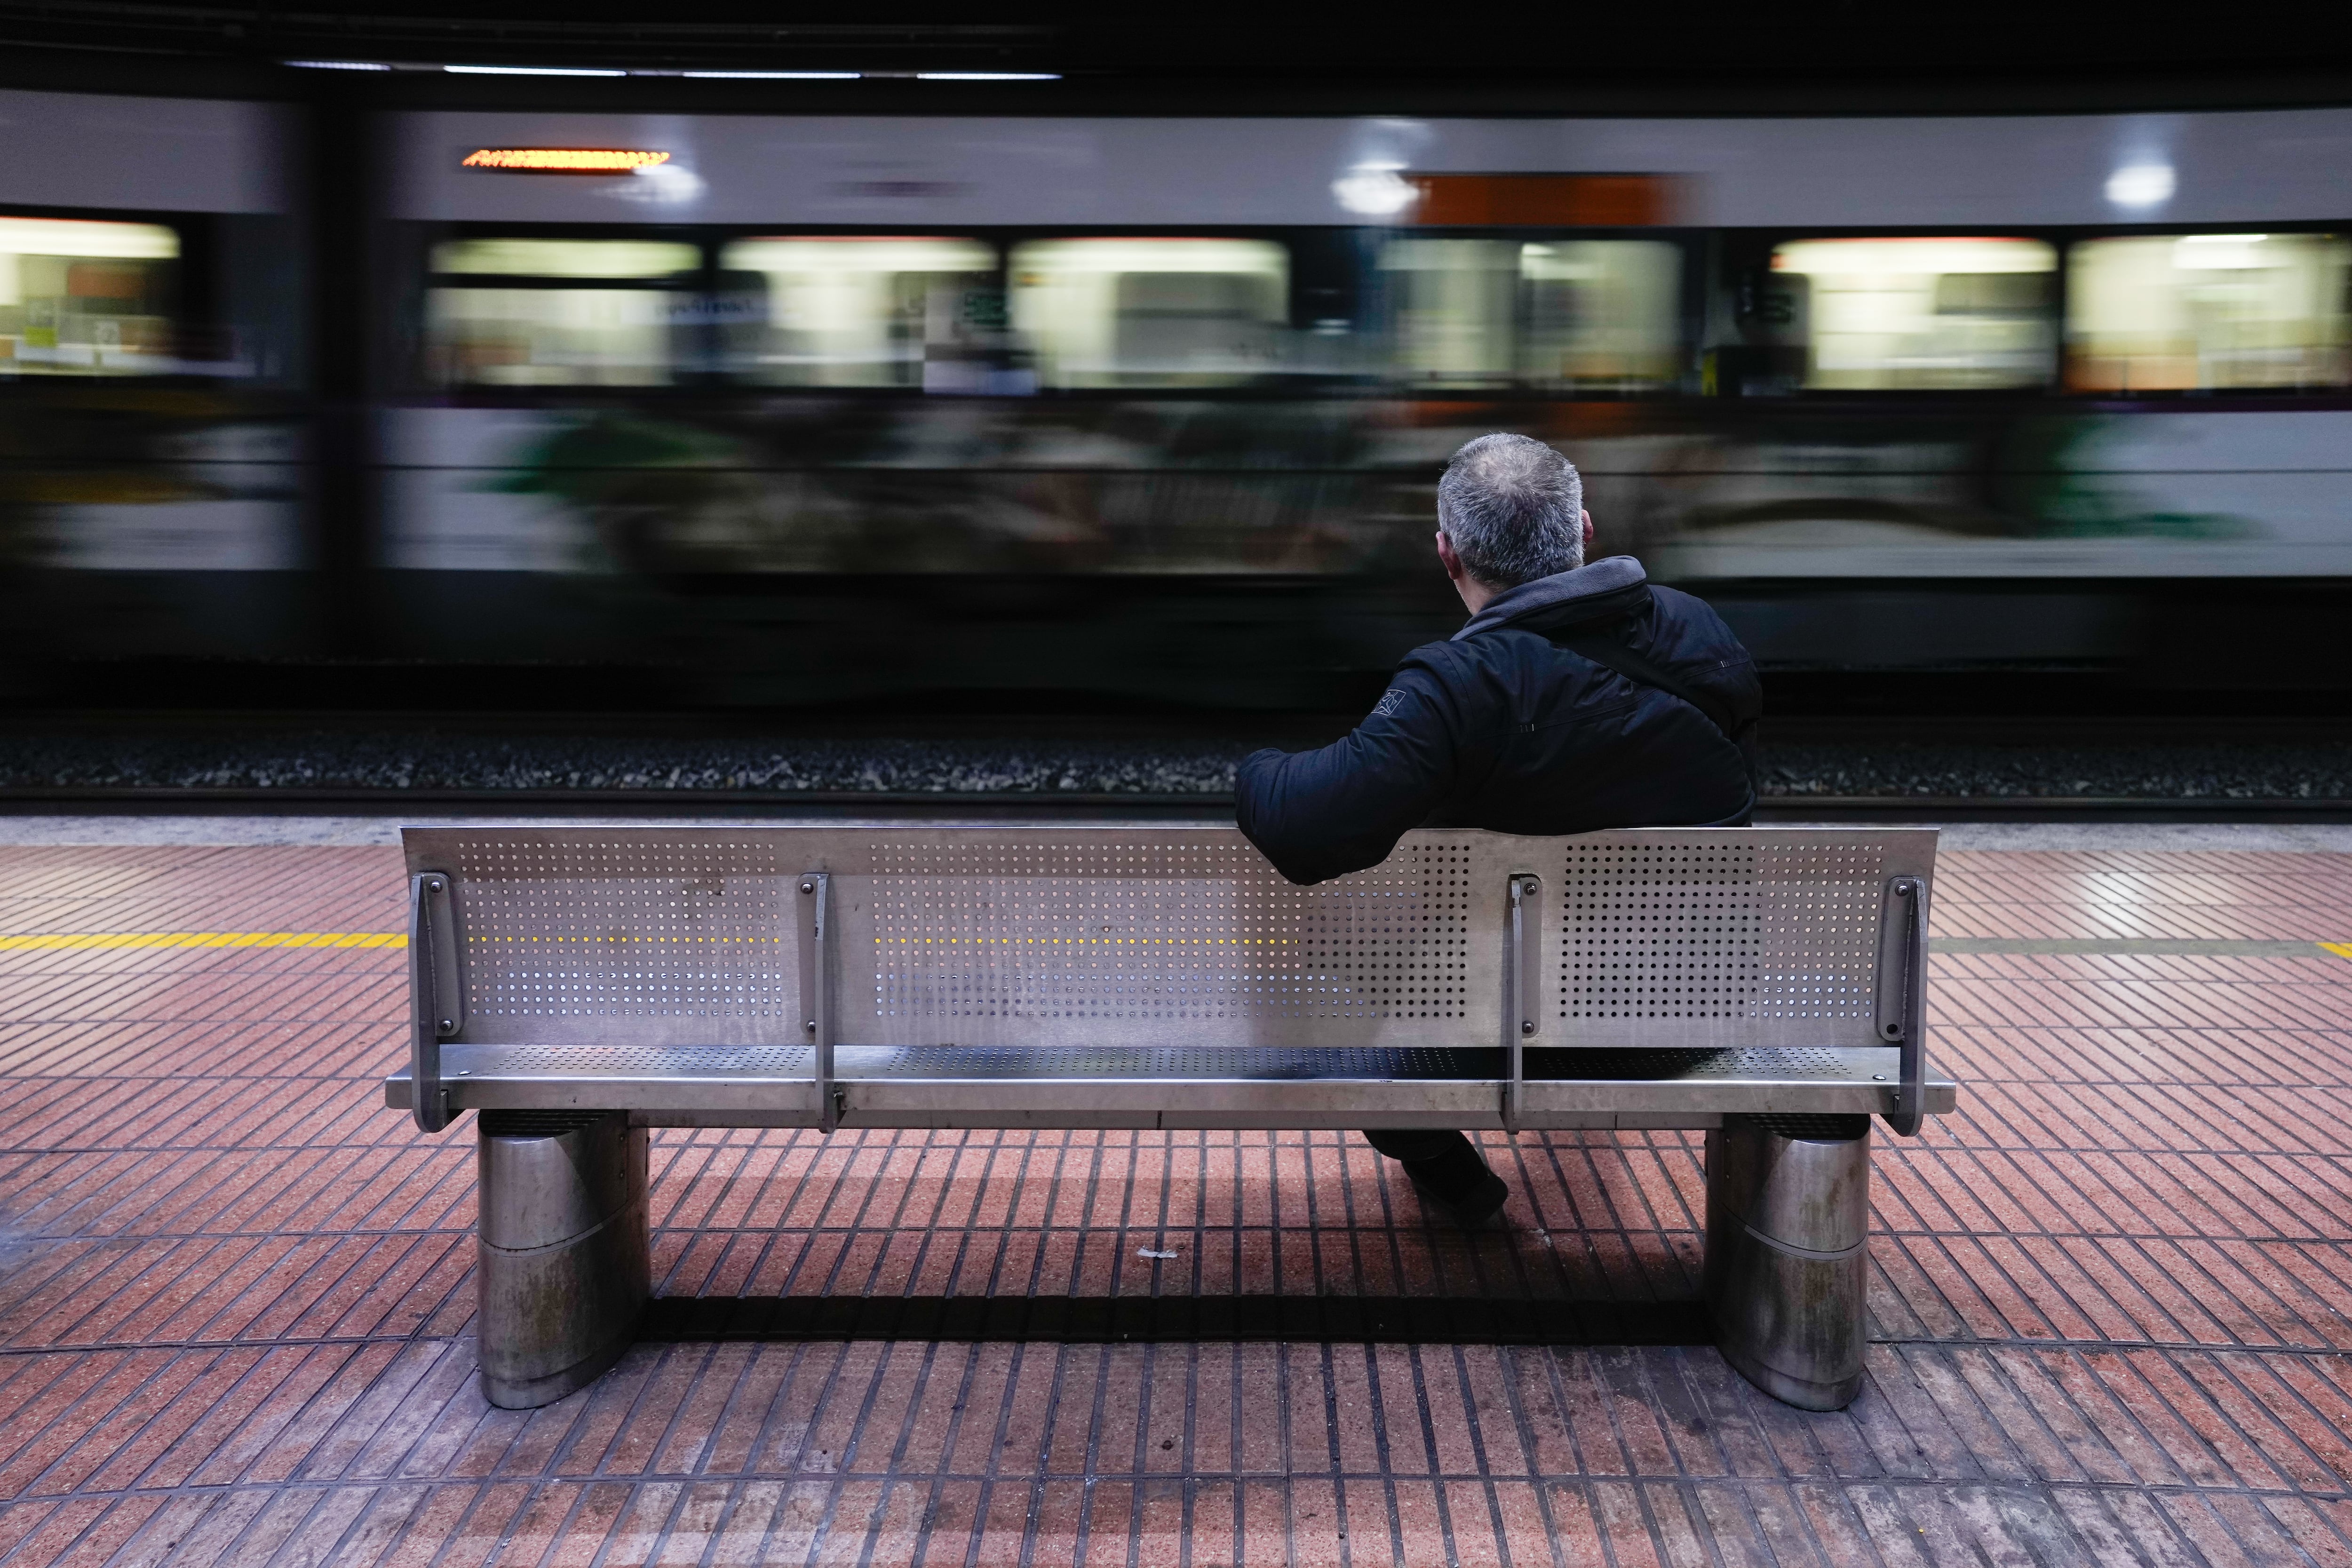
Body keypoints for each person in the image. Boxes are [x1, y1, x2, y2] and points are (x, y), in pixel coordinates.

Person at [1235, 432, 1761, 1226]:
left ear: (1447, 555)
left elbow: (1305, 831)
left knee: (1360, 996)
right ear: (1585, 530)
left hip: (1524, 1023)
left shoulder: (1462, 685)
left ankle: (1463, 1193)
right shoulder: (1700, 632)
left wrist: (1253, 770)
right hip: (1696, 1003)